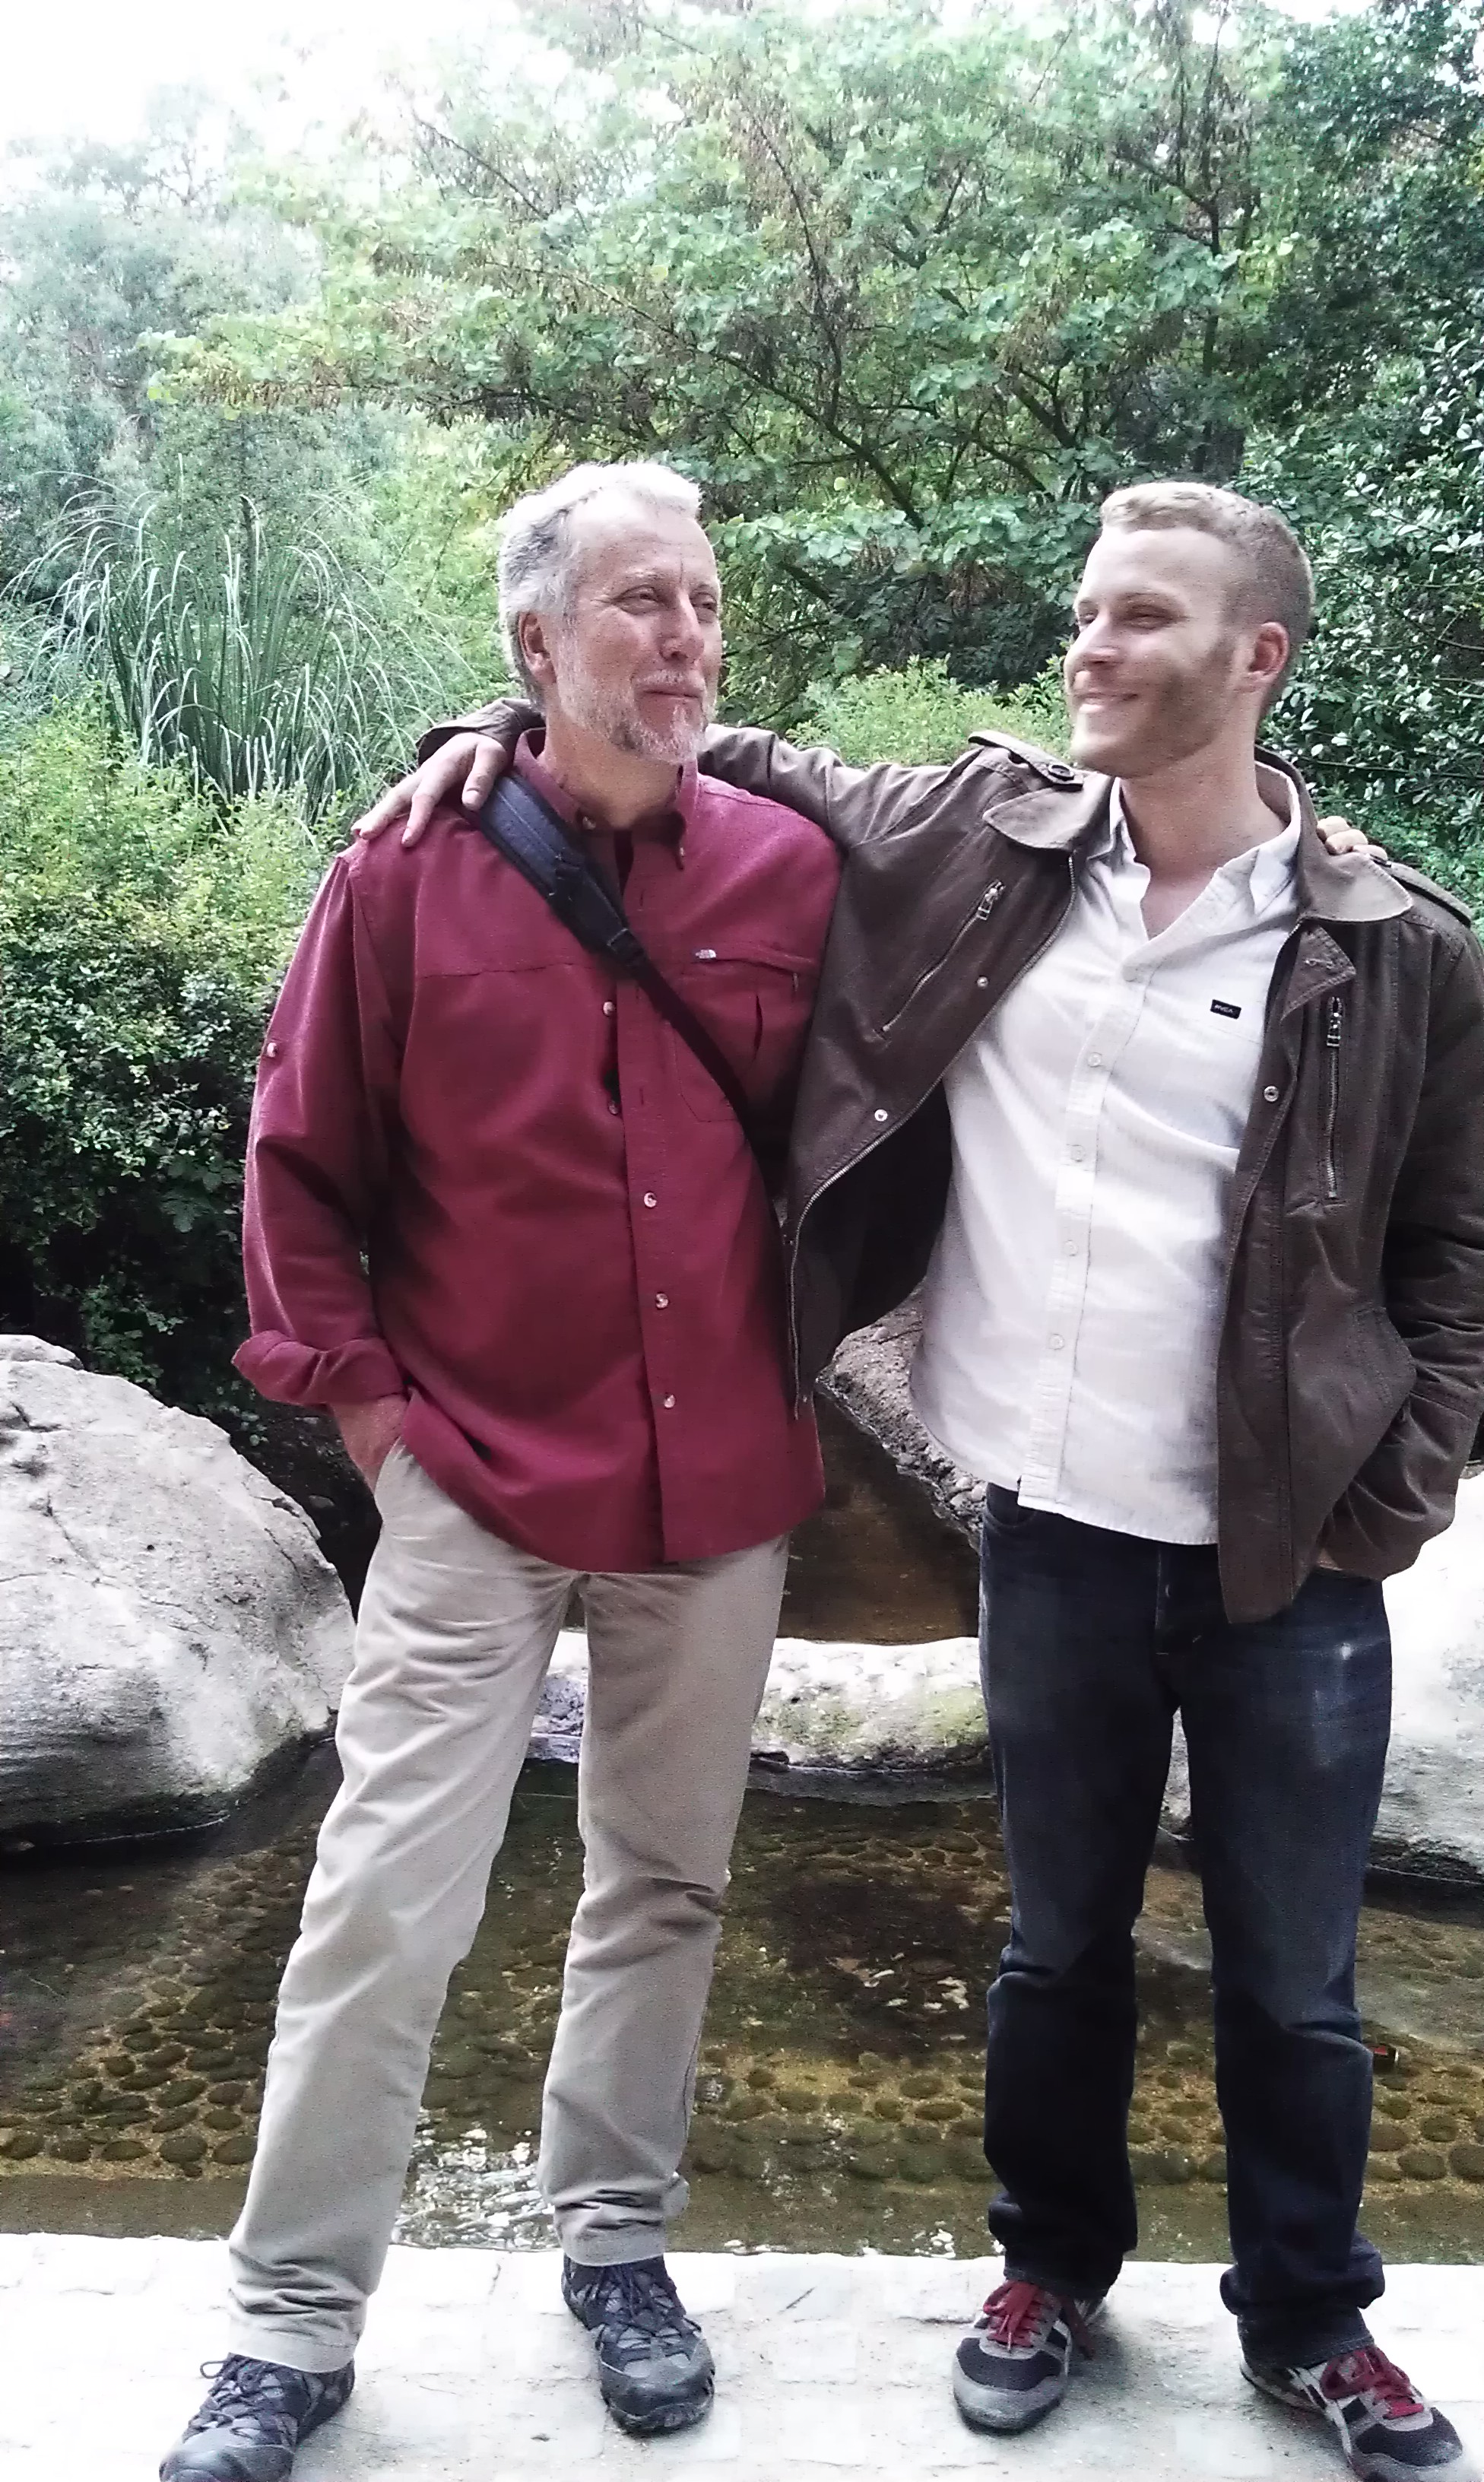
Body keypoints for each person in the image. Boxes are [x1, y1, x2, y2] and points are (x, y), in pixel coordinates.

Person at [381, 480, 1484, 2482]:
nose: (1089, 648)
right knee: (1055, 1950)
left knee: (1298, 1985)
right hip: (1048, 1532)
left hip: (1287, 1561)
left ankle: (1313, 2324)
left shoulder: (1396, 944)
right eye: (1086, 609)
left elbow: (1453, 1252)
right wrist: (498, 726)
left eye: (1141, 618)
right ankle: (1048, 2273)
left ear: (1257, 659)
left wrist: (1393, 1490)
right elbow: (714, 747)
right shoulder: (989, 841)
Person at [160, 459, 841, 2482]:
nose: (686, 636)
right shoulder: (400, 876)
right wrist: (378, 1429)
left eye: (702, 598)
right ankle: (291, 2326)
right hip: (473, 1469)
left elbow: (1018, 847)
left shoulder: (794, 872)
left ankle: (615, 2247)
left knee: (666, 1888)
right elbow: (298, 1170)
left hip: (719, 1482)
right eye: (640, 602)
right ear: (535, 643)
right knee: (386, 1897)